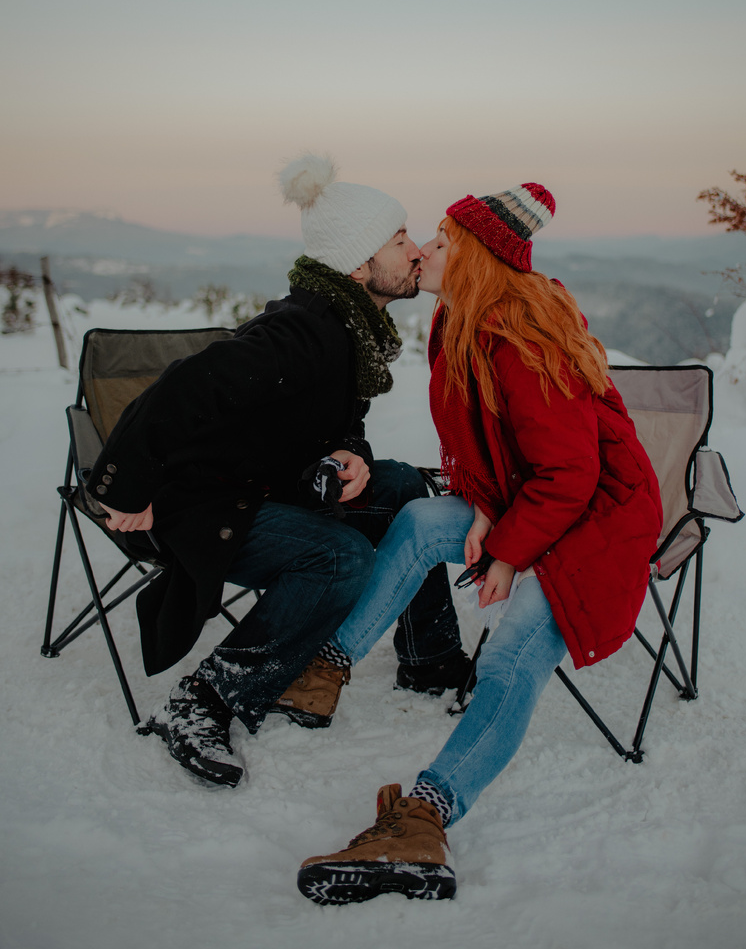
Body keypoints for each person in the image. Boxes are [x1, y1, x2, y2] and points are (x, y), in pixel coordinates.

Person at [295, 181, 663, 905]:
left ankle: (424, 822)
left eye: (441, 241)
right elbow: (493, 450)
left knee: (512, 660)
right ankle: (324, 668)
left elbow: (567, 473)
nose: (424, 250)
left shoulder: (519, 341)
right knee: (421, 522)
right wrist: (489, 514)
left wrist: (506, 552)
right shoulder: (462, 322)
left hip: (595, 522)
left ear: (475, 259)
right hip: (540, 504)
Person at [86, 154, 466, 789]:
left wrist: (352, 453)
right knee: (342, 556)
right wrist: (126, 486)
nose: (415, 253)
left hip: (265, 485)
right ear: (359, 261)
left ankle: (430, 660)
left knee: (402, 488)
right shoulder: (302, 331)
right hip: (206, 506)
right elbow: (181, 389)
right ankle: (205, 701)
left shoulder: (347, 327)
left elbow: (331, 421)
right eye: (400, 241)